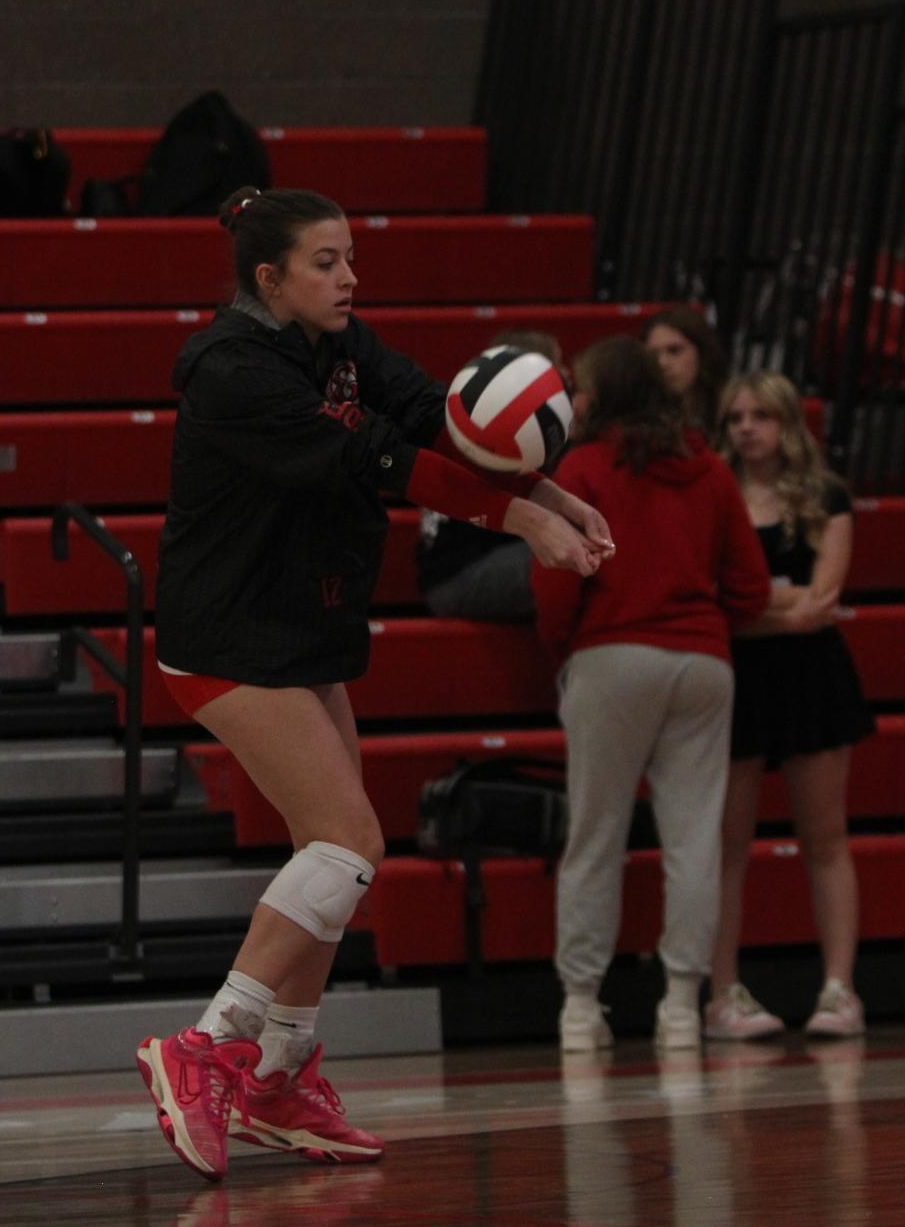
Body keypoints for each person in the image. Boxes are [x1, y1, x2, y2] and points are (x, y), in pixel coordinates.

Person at [137, 186, 612, 1181]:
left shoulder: (342, 345)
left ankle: (279, 1071)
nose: (349, 276)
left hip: (299, 626)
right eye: (325, 261)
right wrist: (518, 521)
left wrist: (550, 486)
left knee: (346, 853)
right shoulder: (231, 372)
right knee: (348, 839)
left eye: (351, 256)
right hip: (223, 633)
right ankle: (204, 1046)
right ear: (268, 279)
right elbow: (369, 457)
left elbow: (427, 410)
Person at [531, 337, 771, 1054]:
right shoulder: (708, 471)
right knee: (694, 839)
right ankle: (679, 1005)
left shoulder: (581, 468)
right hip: (702, 661)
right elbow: (751, 590)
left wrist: (566, 651)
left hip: (611, 655)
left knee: (594, 837)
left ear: (602, 397)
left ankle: (579, 1007)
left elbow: (554, 583)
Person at [705, 371, 875, 1041]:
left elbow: (820, 604)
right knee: (727, 846)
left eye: (760, 416)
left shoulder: (823, 494)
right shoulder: (714, 495)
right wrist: (777, 606)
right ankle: (723, 992)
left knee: (824, 838)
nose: (746, 427)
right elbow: (715, 604)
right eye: (734, 417)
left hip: (812, 677)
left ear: (786, 424)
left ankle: (839, 988)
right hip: (734, 679)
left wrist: (752, 608)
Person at [417, 330, 568, 622]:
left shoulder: (474, 423)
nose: (567, 376)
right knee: (580, 556)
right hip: (462, 577)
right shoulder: (506, 433)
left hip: (460, 571)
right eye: (557, 368)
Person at [642, 305, 731, 438]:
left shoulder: (732, 412)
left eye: (674, 350)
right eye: (653, 355)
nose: (662, 363)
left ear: (702, 354)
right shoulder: (637, 422)